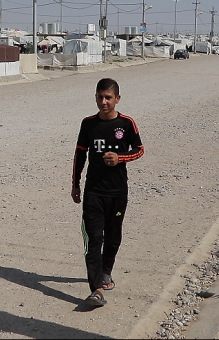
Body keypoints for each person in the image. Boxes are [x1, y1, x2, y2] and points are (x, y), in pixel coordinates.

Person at [71, 78, 145, 307]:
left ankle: (106, 271)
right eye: (100, 97)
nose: (103, 102)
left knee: (113, 238)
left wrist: (120, 158)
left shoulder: (127, 123)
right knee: (94, 239)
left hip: (117, 192)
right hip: (94, 192)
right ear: (95, 97)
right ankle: (96, 289)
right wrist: (75, 184)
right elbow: (79, 155)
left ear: (117, 99)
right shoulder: (88, 124)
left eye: (108, 97)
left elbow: (140, 150)